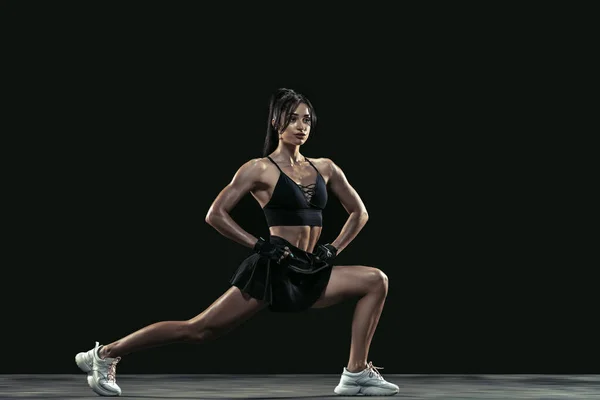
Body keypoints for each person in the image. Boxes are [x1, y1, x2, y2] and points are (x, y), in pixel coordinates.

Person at [75, 88, 399, 397]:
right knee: (199, 330)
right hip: (273, 270)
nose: (301, 127)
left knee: (375, 280)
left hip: (309, 268)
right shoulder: (259, 169)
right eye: (293, 119)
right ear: (276, 123)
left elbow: (359, 212)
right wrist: (259, 245)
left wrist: (334, 249)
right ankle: (105, 354)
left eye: (307, 120)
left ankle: (355, 374)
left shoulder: (325, 168)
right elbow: (215, 214)